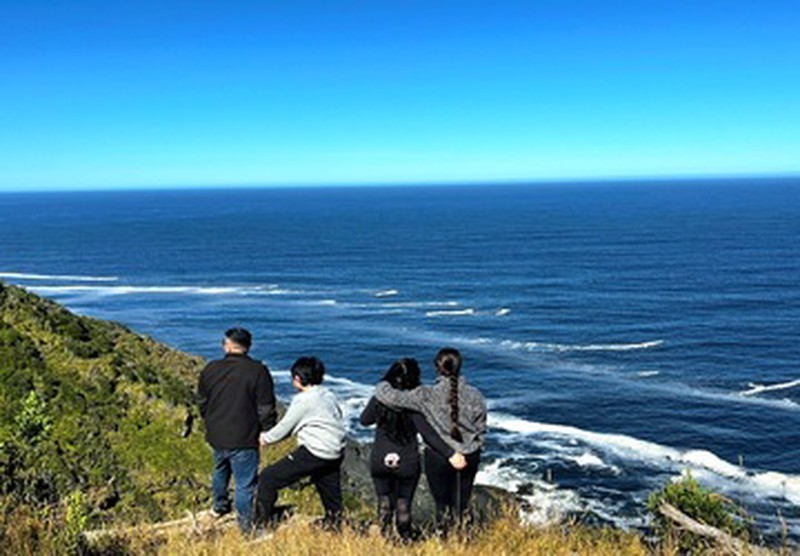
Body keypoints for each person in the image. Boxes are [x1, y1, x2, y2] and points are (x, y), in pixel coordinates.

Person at [374, 347, 486, 533]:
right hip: (469, 454)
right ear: (460, 367)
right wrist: (475, 448)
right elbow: (481, 428)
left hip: (439, 455)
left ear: (437, 368)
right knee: (461, 504)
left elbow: (389, 397)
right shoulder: (476, 395)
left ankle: (444, 541)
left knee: (442, 505)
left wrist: (386, 381)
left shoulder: (425, 394)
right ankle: (462, 542)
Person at [360, 358, 464, 540]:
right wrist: (450, 454)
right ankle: (405, 540)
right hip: (407, 460)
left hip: (380, 457)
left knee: (384, 501)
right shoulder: (415, 404)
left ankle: (385, 539)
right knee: (403, 503)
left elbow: (364, 420)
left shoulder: (379, 399)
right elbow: (429, 435)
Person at [197, 327, 277, 533]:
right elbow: (266, 407)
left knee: (220, 469)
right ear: (248, 347)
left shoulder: (210, 368)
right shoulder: (258, 371)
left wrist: (210, 420)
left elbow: (202, 402)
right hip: (244, 434)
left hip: (216, 432)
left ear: (227, 345)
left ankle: (219, 507)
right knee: (245, 484)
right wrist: (266, 430)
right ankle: (247, 530)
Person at [257, 356, 347, 529]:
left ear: (298, 378)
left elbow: (285, 428)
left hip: (315, 451)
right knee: (328, 485)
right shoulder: (327, 394)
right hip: (335, 449)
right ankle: (334, 523)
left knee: (268, 478)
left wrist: (265, 438)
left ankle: (261, 523)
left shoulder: (304, 400)